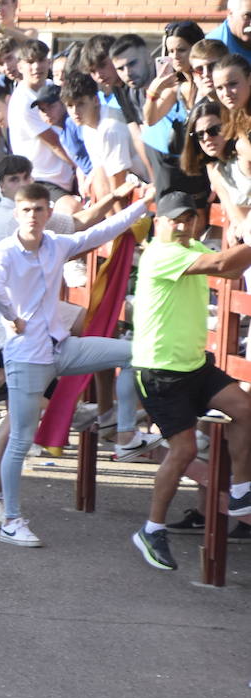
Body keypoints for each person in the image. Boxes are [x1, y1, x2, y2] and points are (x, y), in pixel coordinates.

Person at [0, 181, 161, 547]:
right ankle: (11, 520)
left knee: (133, 352)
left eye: (39, 209)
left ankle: (126, 435)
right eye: (26, 210)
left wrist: (142, 205)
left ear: (49, 213)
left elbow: (101, 231)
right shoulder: (5, 251)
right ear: (16, 213)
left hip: (61, 348)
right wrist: (11, 318)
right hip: (26, 357)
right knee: (20, 440)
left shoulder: (57, 244)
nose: (33, 216)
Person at [127, 191, 251, 570]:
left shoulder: (190, 246)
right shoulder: (161, 254)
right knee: (181, 451)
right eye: (174, 220)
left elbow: (228, 269)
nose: (182, 226)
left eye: (189, 219)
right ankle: (151, 529)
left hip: (195, 366)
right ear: (159, 222)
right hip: (159, 372)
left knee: (245, 409)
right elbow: (220, 260)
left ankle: (242, 491)